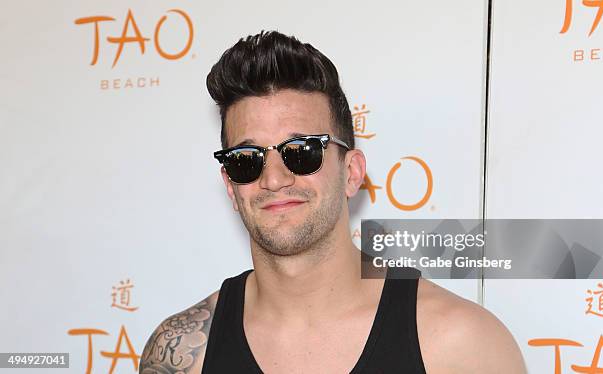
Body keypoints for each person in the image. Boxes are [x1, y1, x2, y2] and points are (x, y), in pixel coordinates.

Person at [139, 30, 526, 374]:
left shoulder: (461, 345)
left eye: (302, 151)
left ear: (352, 172)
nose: (274, 179)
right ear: (230, 184)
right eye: (247, 160)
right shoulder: (184, 353)